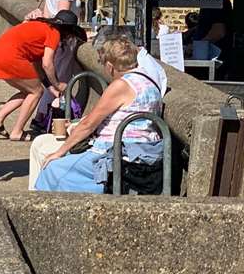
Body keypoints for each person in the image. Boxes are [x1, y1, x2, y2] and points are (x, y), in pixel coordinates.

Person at [35, 35, 164, 193]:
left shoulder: (121, 86)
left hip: (118, 154)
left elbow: (89, 125)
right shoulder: (150, 79)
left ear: (110, 66)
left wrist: (58, 152)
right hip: (144, 151)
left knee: (52, 169)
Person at [0, 12, 88, 141]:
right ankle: (17, 132)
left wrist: (52, 89)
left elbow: (39, 66)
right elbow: (47, 64)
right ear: (68, 30)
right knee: (36, 92)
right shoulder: (54, 33)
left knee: (28, 91)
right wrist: (57, 84)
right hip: (11, 56)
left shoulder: (40, 27)